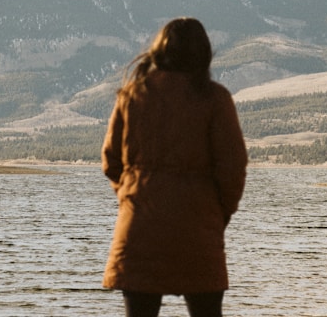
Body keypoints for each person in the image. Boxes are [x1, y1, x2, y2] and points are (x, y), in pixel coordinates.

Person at [101, 17, 248, 317]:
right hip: (199, 227)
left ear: (158, 51)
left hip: (139, 225)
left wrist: (133, 193)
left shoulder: (132, 95)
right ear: (203, 53)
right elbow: (233, 168)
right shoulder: (215, 98)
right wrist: (219, 214)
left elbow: (111, 161)